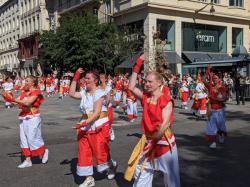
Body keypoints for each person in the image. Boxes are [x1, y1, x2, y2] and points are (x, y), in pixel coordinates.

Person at [124, 54, 180, 187]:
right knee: (141, 171)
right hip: (148, 141)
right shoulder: (145, 97)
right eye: (145, 81)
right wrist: (138, 64)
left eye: (150, 81)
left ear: (159, 83)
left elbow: (165, 124)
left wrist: (154, 141)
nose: (146, 84)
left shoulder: (165, 100)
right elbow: (131, 87)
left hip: (163, 143)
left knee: (171, 178)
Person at [69, 68, 117, 187]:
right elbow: (71, 94)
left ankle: (111, 166)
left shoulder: (99, 93)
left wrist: (83, 124)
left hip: (98, 125)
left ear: (95, 81)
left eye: (88, 78)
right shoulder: (84, 92)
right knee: (84, 151)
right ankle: (89, 179)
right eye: (85, 78)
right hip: (86, 123)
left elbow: (96, 113)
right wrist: (75, 76)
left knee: (100, 153)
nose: (85, 80)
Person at [2, 76, 49, 168]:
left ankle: (43, 151)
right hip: (23, 116)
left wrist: (13, 99)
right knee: (23, 139)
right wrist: (6, 97)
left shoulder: (36, 92)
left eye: (27, 81)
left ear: (33, 83)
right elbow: (16, 102)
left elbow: (28, 103)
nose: (25, 82)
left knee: (32, 138)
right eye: (25, 81)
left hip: (33, 117)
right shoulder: (24, 92)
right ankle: (28, 160)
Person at [206, 74, 228, 149]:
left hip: (220, 110)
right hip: (212, 109)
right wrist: (208, 111)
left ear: (219, 79)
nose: (214, 79)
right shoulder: (210, 88)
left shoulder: (222, 88)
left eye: (216, 78)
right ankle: (213, 142)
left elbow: (225, 98)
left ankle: (221, 135)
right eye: (213, 78)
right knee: (211, 127)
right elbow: (204, 81)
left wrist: (218, 99)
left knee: (221, 126)